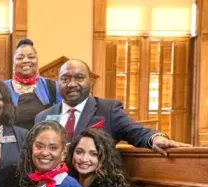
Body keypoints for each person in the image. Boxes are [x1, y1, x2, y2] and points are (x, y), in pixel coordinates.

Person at [35, 59, 191, 155]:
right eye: (65, 79)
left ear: (91, 81)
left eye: (79, 78)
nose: (72, 84)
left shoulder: (108, 110)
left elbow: (136, 132)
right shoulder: (42, 117)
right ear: (58, 83)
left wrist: (155, 138)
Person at [4, 38, 61, 130]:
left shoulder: (53, 87)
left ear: (37, 60)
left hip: (44, 142)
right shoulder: (2, 89)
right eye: (20, 58)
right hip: (12, 143)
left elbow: (63, 117)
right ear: (13, 62)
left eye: (31, 57)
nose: (26, 60)